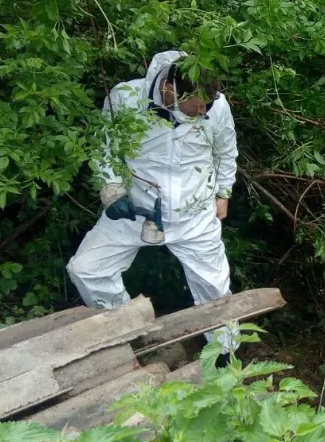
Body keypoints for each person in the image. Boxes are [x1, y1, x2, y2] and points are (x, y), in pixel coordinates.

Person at [67, 50, 240, 363]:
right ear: (171, 90)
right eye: (197, 108)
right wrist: (112, 191)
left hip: (195, 214)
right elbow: (104, 149)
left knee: (215, 288)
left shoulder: (218, 107)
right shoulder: (125, 98)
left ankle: (226, 357)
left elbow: (226, 152)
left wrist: (223, 194)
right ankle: (130, 334)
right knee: (86, 269)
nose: (204, 114)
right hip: (137, 210)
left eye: (208, 107)